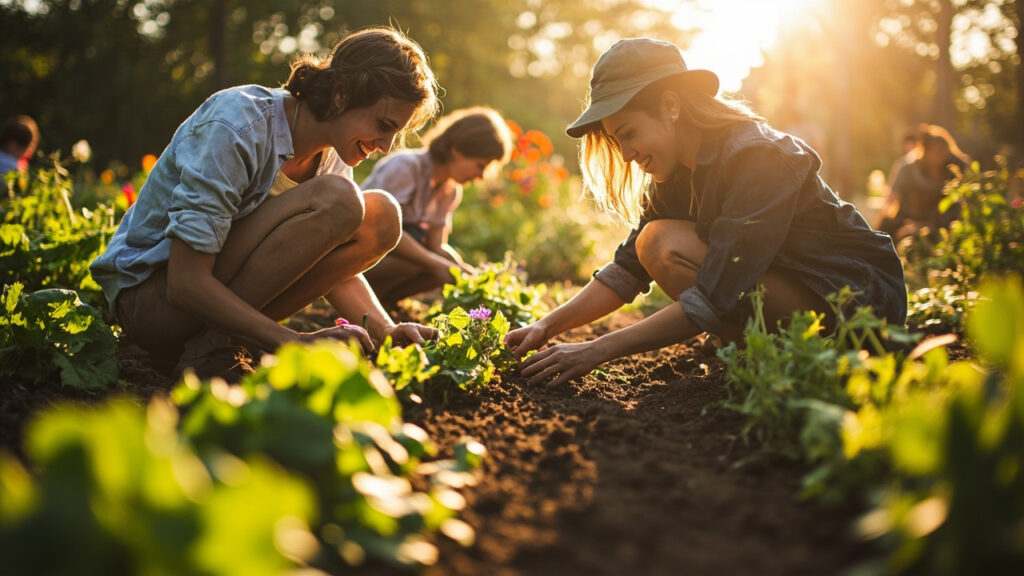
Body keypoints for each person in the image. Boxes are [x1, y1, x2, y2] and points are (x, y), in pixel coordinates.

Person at [505, 37, 907, 386]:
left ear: (670, 105)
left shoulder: (758, 157)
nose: (625, 155)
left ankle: (777, 356)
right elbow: (627, 270)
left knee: (662, 243)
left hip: (854, 308)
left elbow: (716, 293)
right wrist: (546, 325)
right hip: (794, 290)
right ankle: (753, 352)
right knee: (653, 243)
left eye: (628, 133)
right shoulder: (676, 172)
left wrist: (596, 350)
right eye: (616, 141)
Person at [89, 27, 442, 379]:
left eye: (396, 133)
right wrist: (291, 341)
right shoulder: (238, 124)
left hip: (209, 311)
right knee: (343, 199)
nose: (386, 146)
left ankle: (216, 343)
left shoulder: (334, 153)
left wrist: (385, 329)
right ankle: (220, 344)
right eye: (383, 125)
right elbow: (184, 283)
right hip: (154, 303)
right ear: (340, 95)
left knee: (382, 216)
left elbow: (330, 267)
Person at [361, 106, 513, 305]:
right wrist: (436, 263)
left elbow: (437, 246)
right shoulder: (406, 167)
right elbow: (383, 229)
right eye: (480, 165)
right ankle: (360, 299)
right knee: (425, 263)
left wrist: (463, 269)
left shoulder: (450, 191)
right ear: (458, 149)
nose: (481, 176)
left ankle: (382, 301)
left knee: (441, 271)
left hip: (390, 256)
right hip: (362, 249)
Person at [877, 124, 969, 241]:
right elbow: (891, 202)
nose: (943, 155)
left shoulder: (954, 172)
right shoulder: (908, 170)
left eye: (945, 151)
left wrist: (922, 227)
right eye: (937, 151)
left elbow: (955, 213)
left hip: (938, 225)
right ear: (925, 151)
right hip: (907, 221)